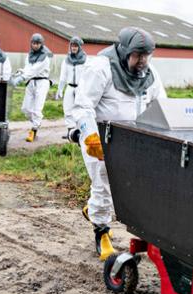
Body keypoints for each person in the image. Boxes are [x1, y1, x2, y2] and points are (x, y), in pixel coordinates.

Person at [70, 27, 166, 261]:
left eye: (146, 55)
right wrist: (90, 136)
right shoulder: (101, 68)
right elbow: (82, 106)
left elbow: (162, 106)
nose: (142, 60)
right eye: (137, 55)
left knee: (132, 188)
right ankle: (102, 233)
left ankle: (94, 210)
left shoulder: (150, 74)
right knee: (103, 182)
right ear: (124, 52)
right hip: (102, 136)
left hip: (133, 139)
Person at [10, 33, 53, 142]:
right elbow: (28, 69)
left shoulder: (45, 57)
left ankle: (33, 130)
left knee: (37, 109)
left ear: (41, 44)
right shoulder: (29, 56)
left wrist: (21, 78)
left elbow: (34, 70)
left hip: (42, 82)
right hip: (31, 82)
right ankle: (36, 122)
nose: (35, 45)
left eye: (38, 43)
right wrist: (19, 74)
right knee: (25, 108)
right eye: (34, 43)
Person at [56, 36, 88, 140]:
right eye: (72, 46)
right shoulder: (67, 60)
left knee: (79, 110)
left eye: (75, 46)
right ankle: (70, 132)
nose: (73, 48)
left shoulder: (85, 60)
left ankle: (81, 132)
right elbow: (63, 76)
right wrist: (60, 89)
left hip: (80, 88)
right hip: (70, 87)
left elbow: (88, 75)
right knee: (68, 109)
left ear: (79, 47)